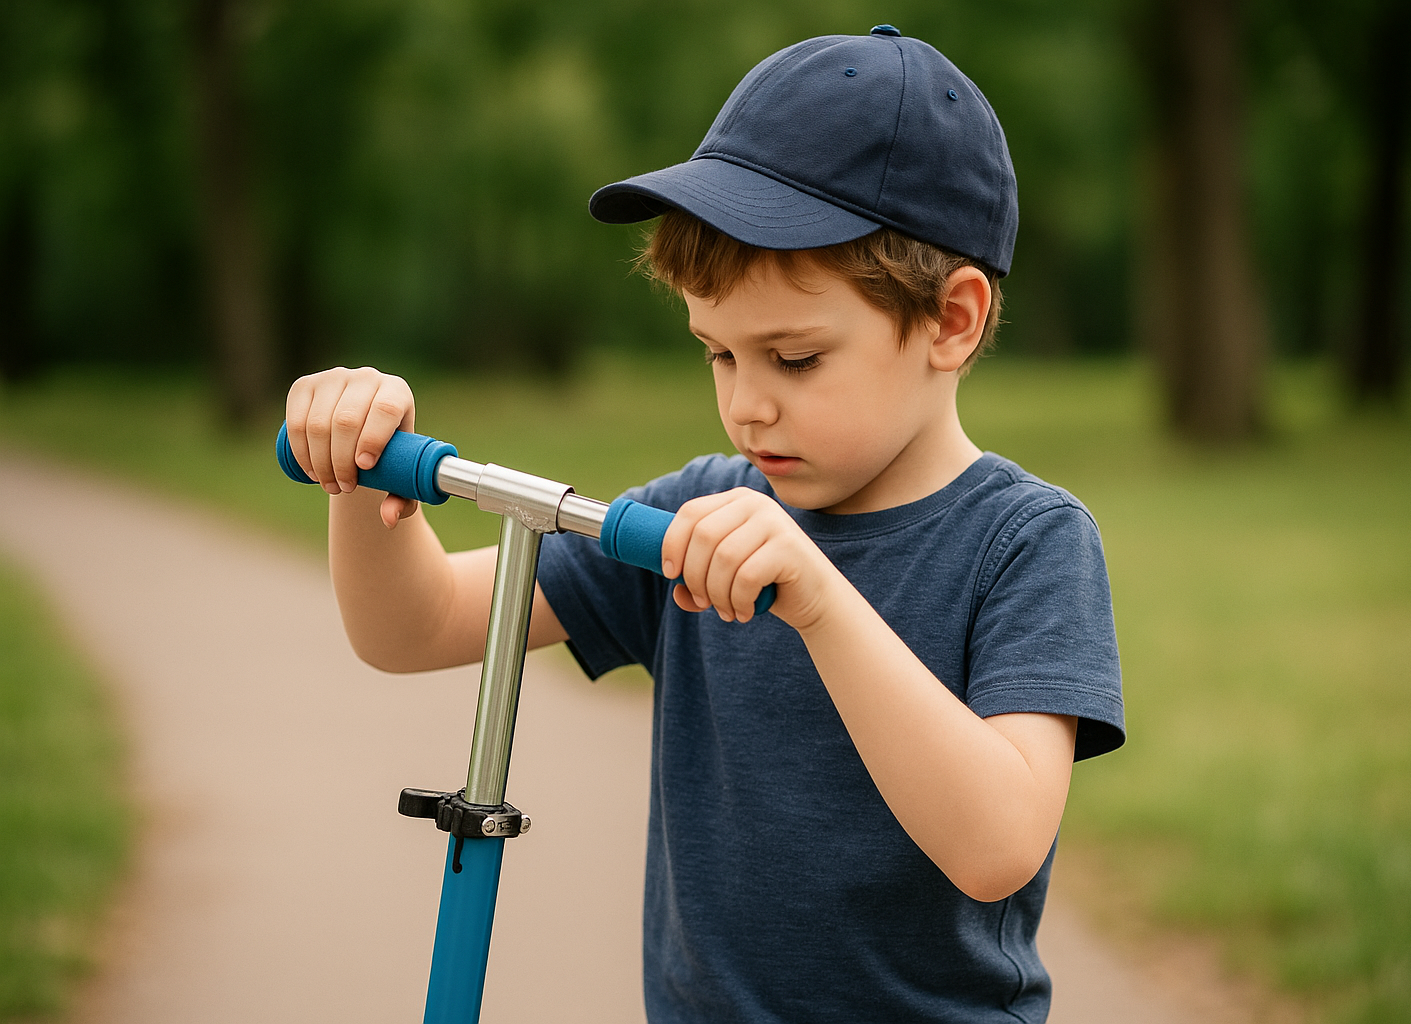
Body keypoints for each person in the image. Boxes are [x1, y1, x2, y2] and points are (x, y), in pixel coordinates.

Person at [286, 27, 1124, 1024]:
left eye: (794, 358)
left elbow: (997, 847)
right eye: (718, 354)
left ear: (951, 321)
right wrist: (356, 463)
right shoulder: (701, 512)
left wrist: (819, 601)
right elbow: (410, 629)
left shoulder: (1023, 543)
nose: (747, 406)